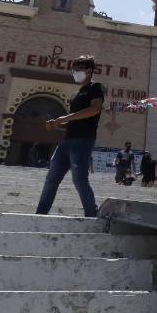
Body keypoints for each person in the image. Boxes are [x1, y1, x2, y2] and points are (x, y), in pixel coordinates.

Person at [35, 55, 104, 217]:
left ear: (89, 71)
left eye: (78, 69)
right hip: (66, 141)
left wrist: (65, 118)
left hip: (83, 141)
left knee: (79, 179)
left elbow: (95, 109)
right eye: (73, 69)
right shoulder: (76, 93)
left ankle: (91, 215)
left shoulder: (96, 87)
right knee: (52, 178)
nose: (74, 73)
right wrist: (57, 124)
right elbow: (74, 120)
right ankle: (40, 214)